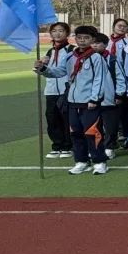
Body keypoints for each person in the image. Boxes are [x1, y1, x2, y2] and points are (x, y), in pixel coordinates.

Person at [35, 26, 107, 175]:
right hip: (72, 101)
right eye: (79, 38)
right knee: (76, 133)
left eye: (86, 38)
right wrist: (43, 69)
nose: (82, 41)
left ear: (92, 40)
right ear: (75, 38)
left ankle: (99, 161)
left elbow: (99, 79)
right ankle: (81, 161)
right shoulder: (70, 57)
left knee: (92, 133)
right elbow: (59, 72)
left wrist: (94, 98)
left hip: (89, 102)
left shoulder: (96, 58)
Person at [42, 22, 74, 158]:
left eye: (61, 30)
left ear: (67, 33)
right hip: (51, 90)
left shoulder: (71, 50)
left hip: (65, 89)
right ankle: (57, 145)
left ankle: (68, 146)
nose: (57, 33)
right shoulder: (50, 51)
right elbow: (47, 70)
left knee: (65, 118)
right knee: (51, 117)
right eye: (54, 31)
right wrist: (41, 65)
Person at [90, 33, 121, 160]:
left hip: (109, 98)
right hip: (93, 100)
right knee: (94, 126)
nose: (94, 46)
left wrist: (119, 94)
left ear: (106, 44)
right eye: (93, 43)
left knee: (110, 126)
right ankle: (97, 148)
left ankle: (110, 147)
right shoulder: (88, 59)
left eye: (97, 43)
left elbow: (120, 78)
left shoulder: (112, 59)